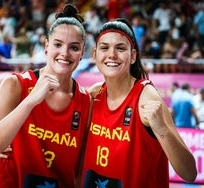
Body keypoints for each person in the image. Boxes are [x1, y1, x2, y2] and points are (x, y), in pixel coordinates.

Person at [0, 4, 91, 188]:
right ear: (47, 46)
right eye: (58, 44)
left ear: (82, 53)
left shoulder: (86, 101)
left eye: (74, 47)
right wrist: (31, 100)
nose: (64, 53)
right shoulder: (15, 85)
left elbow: (78, 172)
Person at [81, 18, 197, 187]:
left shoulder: (146, 96)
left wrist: (161, 129)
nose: (112, 54)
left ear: (133, 55)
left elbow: (189, 173)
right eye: (104, 47)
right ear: (94, 54)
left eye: (120, 48)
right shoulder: (95, 94)